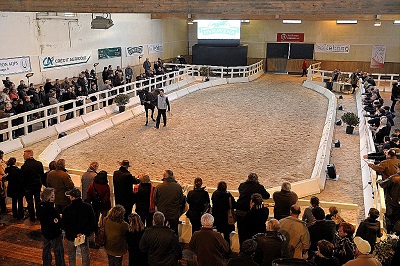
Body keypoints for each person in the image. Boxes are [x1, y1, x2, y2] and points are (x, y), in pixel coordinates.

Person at [62, 188, 97, 266]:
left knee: (71, 255)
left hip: (71, 236)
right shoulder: (88, 207)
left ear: (73, 197)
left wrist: (74, 233)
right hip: (83, 235)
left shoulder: (67, 210)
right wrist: (84, 232)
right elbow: (92, 222)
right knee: (85, 254)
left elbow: (65, 225)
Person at [236, 173, 270, 245]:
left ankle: (242, 249)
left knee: (242, 233)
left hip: (240, 212)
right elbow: (267, 195)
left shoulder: (242, 185)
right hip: (251, 213)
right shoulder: (259, 187)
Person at [36, 188, 66, 266]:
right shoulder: (52, 209)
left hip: (45, 231)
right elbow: (55, 222)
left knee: (46, 249)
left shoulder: (40, 205)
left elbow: (40, 217)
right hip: (54, 233)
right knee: (58, 251)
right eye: (52, 196)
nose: (54, 197)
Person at [153, 169, 183, 235]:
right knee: (174, 231)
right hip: (174, 213)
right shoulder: (178, 187)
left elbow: (155, 200)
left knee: (161, 231)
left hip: (162, 213)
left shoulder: (159, 187)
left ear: (164, 176)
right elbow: (181, 200)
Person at [21, 149, 44, 222]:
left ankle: (32, 217)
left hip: (28, 187)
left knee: (30, 202)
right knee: (37, 200)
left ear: (28, 155)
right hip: (37, 185)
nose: (23, 156)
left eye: (24, 155)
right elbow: (42, 175)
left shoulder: (24, 166)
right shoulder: (39, 164)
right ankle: (39, 215)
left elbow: (23, 178)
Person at [211, 181, 236, 249]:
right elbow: (233, 205)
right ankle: (226, 250)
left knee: (217, 234)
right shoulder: (228, 195)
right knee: (226, 236)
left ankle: (218, 249)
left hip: (217, 218)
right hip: (225, 219)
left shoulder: (215, 194)